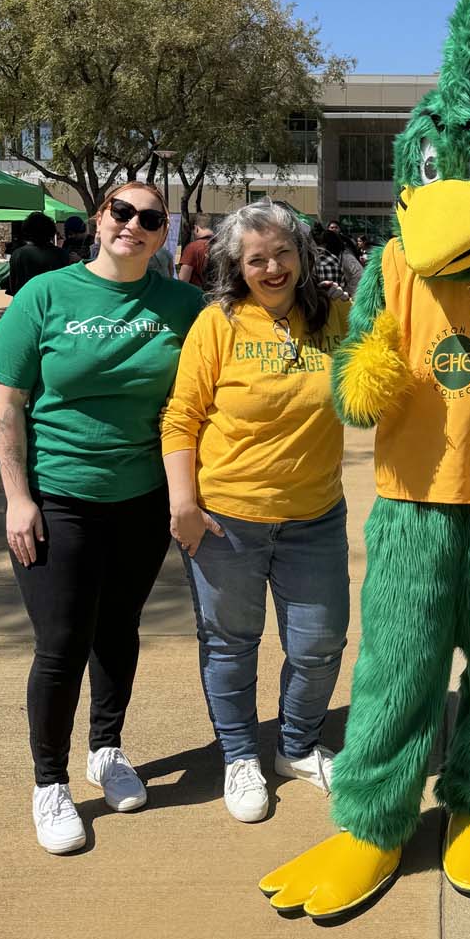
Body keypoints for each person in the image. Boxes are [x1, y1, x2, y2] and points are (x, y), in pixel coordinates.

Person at [0, 181, 205, 854]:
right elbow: (6, 405)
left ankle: (107, 750)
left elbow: (210, 389)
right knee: (63, 640)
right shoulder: (47, 295)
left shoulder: (183, 305)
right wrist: (18, 497)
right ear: (99, 220)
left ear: (164, 234)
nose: (133, 224)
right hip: (58, 497)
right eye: (121, 211)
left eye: (149, 218)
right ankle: (49, 784)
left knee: (118, 629)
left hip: (140, 499)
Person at [161, 201, 352, 823]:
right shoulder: (217, 323)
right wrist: (183, 503)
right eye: (257, 259)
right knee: (230, 645)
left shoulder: (332, 317)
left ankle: (295, 748)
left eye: (283, 254)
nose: (273, 268)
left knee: (320, 643)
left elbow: (384, 368)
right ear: (236, 267)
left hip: (314, 517)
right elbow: (181, 416)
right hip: (227, 520)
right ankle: (241, 756)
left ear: (301, 252)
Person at [8, 212, 67, 295]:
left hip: (25, 302)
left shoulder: (18, 254)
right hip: (53, 303)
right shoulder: (61, 254)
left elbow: (13, 285)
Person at [177, 215, 214, 288]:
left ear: (196, 228)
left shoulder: (193, 248)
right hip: (222, 296)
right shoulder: (223, 246)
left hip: (200, 296)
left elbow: (183, 280)